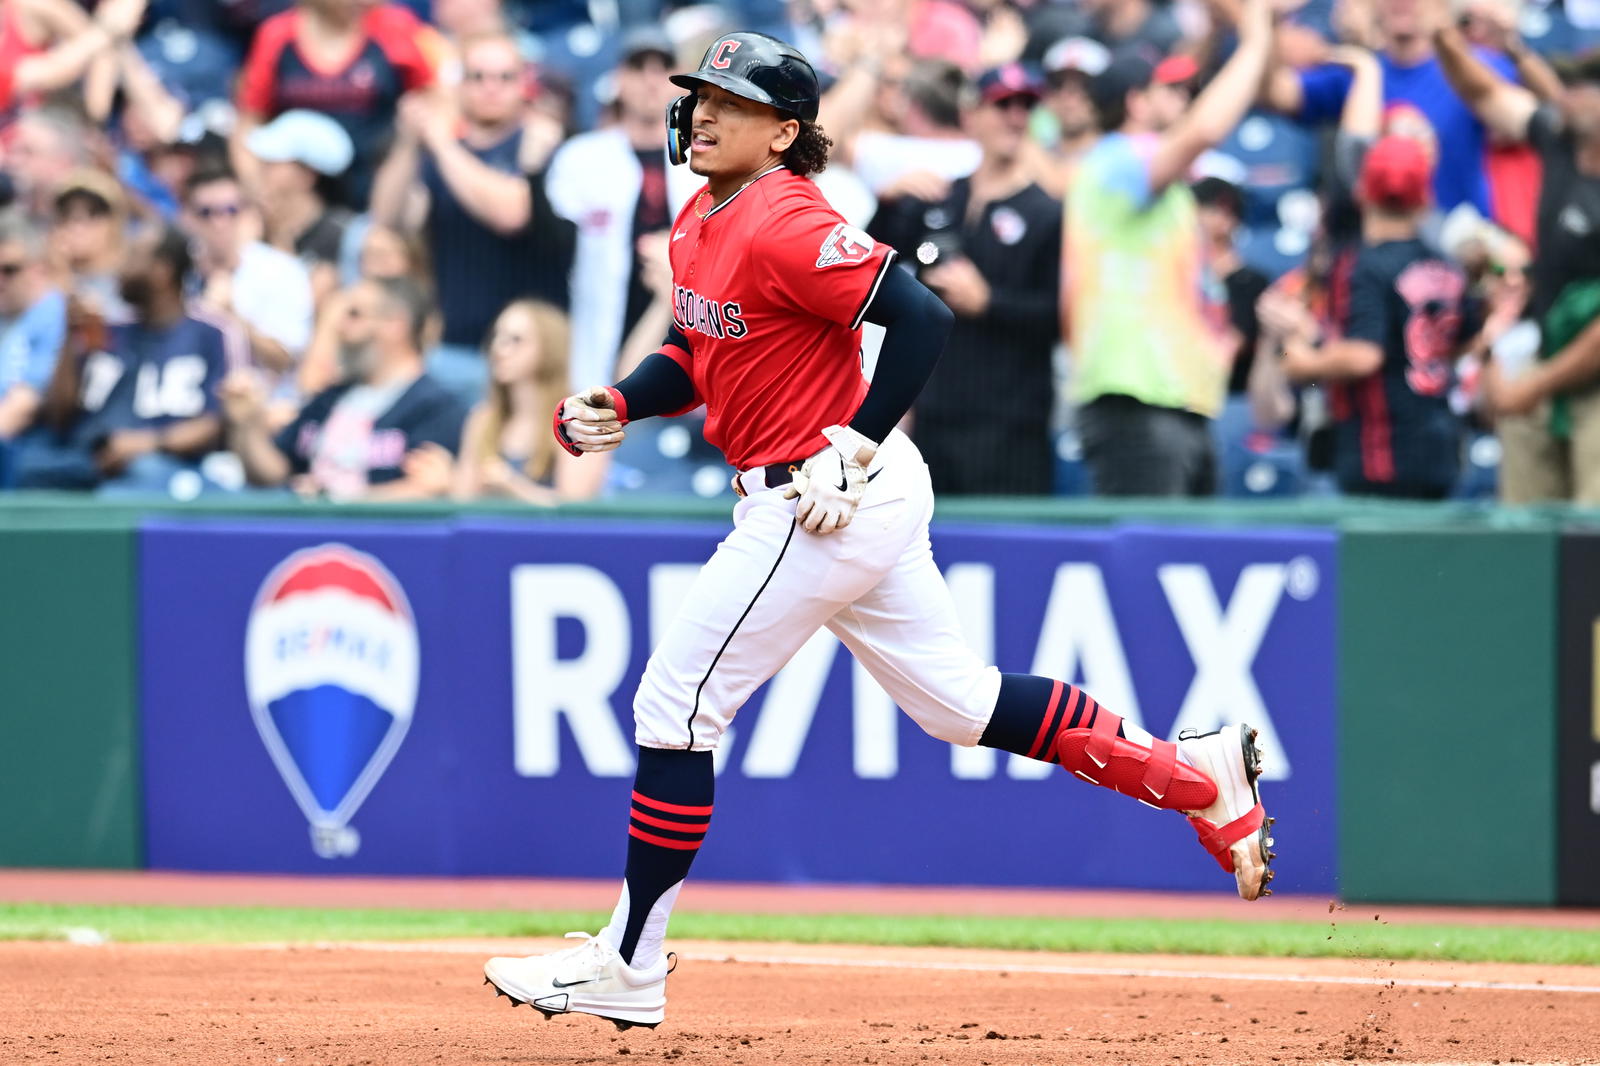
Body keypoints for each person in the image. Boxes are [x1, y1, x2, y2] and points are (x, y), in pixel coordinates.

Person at [481, 31, 1275, 1032]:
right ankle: (1192, 774)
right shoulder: (698, 214)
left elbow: (924, 317)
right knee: (958, 702)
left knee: (675, 706)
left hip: (823, 493)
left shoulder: (782, 214)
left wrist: (852, 442)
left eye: (730, 98)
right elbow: (695, 348)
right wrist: (621, 401)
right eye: (700, 94)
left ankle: (630, 964)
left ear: (784, 132)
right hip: (839, 488)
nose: (703, 111)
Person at [1064, 0, 1273, 497]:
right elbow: (1205, 130)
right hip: (1136, 400)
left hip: (1174, 400)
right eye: (1170, 89)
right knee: (1148, 561)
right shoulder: (1118, 160)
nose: (1184, 96)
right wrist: (1258, 35)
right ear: (1137, 102)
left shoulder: (1153, 176)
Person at [869, 62, 1062, 495]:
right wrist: (887, 201)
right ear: (970, 114)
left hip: (1012, 425)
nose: (1016, 116)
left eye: (1025, 106)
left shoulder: (1046, 212)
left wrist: (988, 302)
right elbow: (862, 274)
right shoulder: (939, 198)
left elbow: (1059, 318)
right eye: (1002, 104)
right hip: (935, 415)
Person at [1259, 135, 1476, 499]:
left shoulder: (1361, 266)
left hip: (1380, 454)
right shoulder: (1445, 264)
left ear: (1365, 192)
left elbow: (1363, 355)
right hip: (1440, 447)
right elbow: (1464, 339)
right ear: (1423, 196)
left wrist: (1299, 357)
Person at [1434, 30, 1600, 503]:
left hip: (1585, 379)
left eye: (1578, 88)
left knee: (1591, 537)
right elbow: (1481, 93)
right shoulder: (1560, 140)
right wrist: (1443, 34)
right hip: (1544, 355)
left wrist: (1529, 389)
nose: (1561, 97)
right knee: (1525, 526)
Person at [369, 28, 570, 406]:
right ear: (459, 85)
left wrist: (440, 140)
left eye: (504, 78)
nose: (490, 88)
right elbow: (387, 218)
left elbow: (512, 213)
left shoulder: (543, 144)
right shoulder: (439, 155)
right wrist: (410, 143)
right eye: (477, 77)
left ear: (524, 85)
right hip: (456, 349)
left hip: (532, 354)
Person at [16, 224, 243, 494]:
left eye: (135, 256)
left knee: (138, 477)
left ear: (163, 271)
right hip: (86, 460)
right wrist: (69, 335)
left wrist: (145, 443)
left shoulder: (210, 334)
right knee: (23, 467)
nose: (122, 267)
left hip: (164, 466)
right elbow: (60, 413)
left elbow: (214, 424)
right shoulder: (110, 331)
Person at [1261, 0, 1517, 220]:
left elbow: (1520, 124)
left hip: (1461, 241)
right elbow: (1276, 92)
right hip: (1382, 244)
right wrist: (1266, 21)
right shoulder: (1359, 72)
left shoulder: (1472, 69)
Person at [545, 28, 699, 389]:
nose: (650, 80)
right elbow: (552, 247)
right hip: (602, 328)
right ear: (616, 79)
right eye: (637, 67)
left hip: (688, 325)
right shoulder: (581, 156)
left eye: (662, 68)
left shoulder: (707, 154)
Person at [221, 275, 466, 500]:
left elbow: (425, 493)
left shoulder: (437, 408)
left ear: (395, 325)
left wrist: (335, 499)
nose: (340, 326)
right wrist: (248, 424)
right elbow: (273, 474)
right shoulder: (330, 398)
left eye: (354, 314)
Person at [233, 0, 437, 206]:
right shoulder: (276, 34)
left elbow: (434, 99)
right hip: (301, 199)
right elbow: (249, 121)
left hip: (377, 187)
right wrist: (253, 182)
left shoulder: (393, 26)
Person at [453, 298, 607, 503]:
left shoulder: (581, 420)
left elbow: (574, 510)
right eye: (496, 337)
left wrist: (510, 484)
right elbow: (461, 502)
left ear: (549, 348)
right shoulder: (483, 418)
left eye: (516, 339)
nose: (498, 349)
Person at [182, 166, 314, 389]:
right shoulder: (175, 270)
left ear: (245, 214)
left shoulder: (281, 271)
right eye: (206, 212)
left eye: (230, 210)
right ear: (187, 217)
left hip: (260, 406)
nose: (219, 222)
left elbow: (286, 360)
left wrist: (230, 317)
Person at [243, 109, 357, 307]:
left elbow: (302, 308)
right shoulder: (255, 224)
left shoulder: (341, 234)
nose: (262, 170)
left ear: (307, 176)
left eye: (272, 163)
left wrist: (279, 240)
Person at [0, 212, 66, 483]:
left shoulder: (53, 313)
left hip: (27, 446)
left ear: (37, 269)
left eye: (9, 270)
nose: (0, 280)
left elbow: (21, 408)